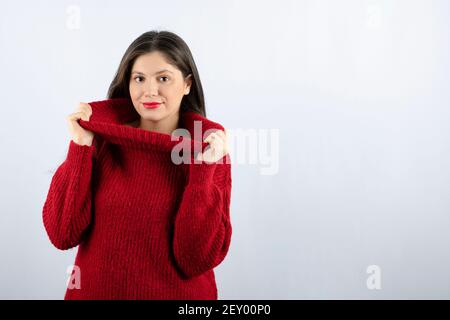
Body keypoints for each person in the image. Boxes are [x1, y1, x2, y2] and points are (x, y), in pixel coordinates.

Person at [42, 30, 232, 300]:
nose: (149, 91)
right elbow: (63, 233)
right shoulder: (102, 142)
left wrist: (202, 172)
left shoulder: (210, 152)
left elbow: (195, 259)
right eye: (139, 79)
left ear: (187, 84)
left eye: (163, 78)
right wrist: (80, 147)